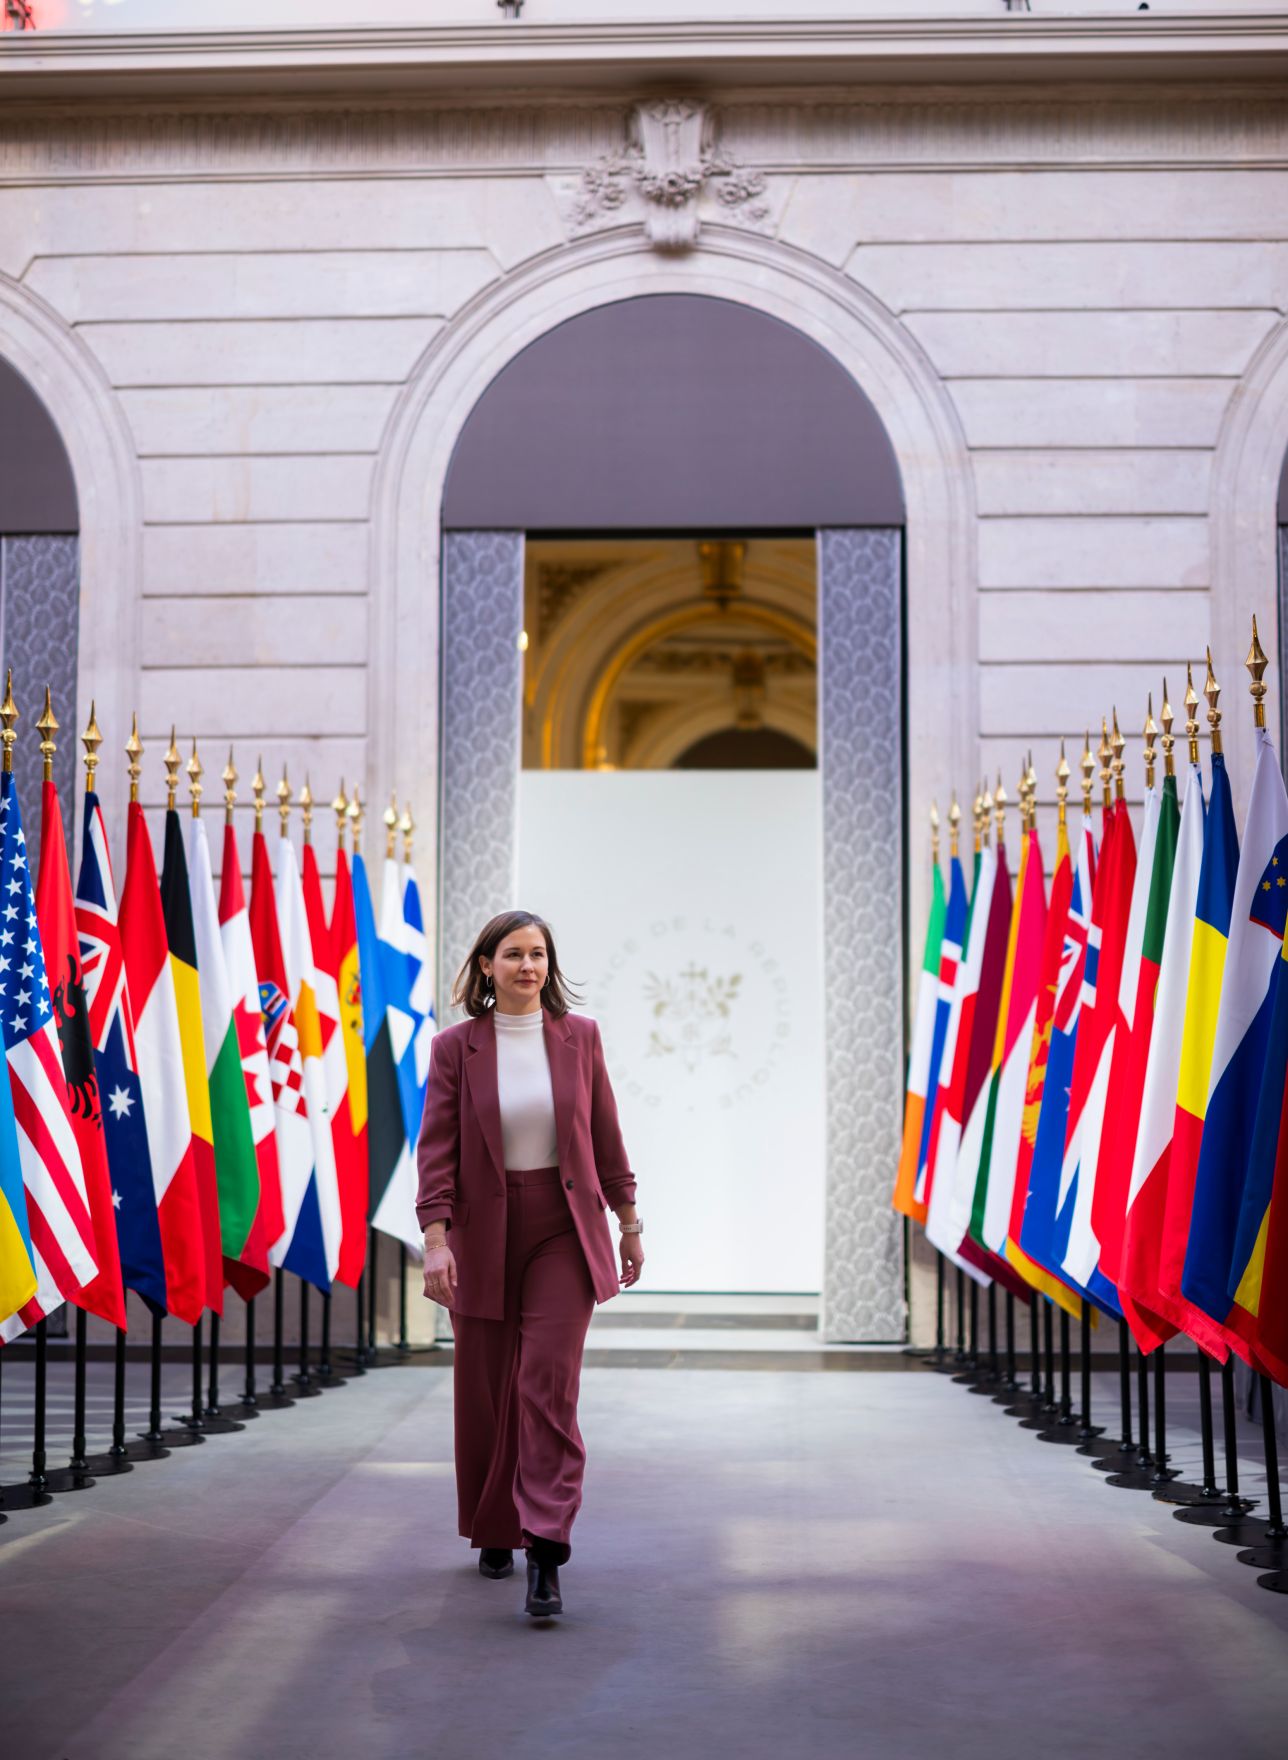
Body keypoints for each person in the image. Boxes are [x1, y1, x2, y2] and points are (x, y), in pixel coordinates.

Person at [416, 910, 644, 1618]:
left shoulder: (582, 1038)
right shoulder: (457, 1048)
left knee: (546, 1384)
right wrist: (436, 1237)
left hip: (562, 1229)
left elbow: (604, 1131)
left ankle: (545, 1544)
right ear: (485, 966)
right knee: (487, 1385)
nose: (528, 966)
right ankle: (494, 1525)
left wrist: (628, 1218)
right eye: (513, 954)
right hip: (482, 1231)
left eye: (538, 954)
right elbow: (438, 1149)